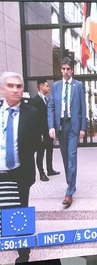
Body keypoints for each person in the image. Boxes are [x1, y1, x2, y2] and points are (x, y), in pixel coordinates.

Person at [47, 56, 86, 208]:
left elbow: (83, 107)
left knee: (71, 157)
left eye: (68, 69)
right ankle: (72, 184)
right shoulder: (56, 86)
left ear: (72, 70)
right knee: (64, 158)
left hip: (73, 126)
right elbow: (51, 107)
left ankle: (69, 193)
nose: (65, 72)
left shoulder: (78, 86)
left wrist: (83, 128)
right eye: (63, 69)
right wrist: (51, 126)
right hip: (61, 127)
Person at [0, 72, 39, 210]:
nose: (15, 90)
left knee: (19, 215)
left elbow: (35, 142)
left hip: (20, 172)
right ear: (2, 89)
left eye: (19, 86)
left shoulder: (31, 113)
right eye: (10, 86)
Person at [29, 79, 57, 181]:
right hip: (40, 133)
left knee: (50, 151)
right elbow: (34, 118)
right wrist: (38, 133)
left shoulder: (47, 100)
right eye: (46, 86)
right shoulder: (35, 100)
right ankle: (41, 173)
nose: (48, 88)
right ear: (41, 87)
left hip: (48, 131)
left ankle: (50, 169)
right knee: (40, 153)